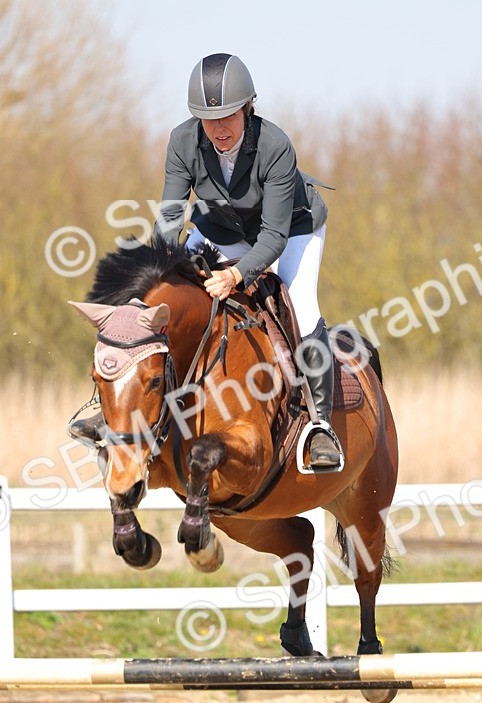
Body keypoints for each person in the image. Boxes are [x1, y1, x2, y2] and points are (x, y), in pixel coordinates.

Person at [157, 52, 342, 471]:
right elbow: (170, 217)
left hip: (292, 228)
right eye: (209, 119)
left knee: (301, 305)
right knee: (165, 298)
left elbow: (273, 236)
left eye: (227, 116)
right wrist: (161, 266)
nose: (218, 128)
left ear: (247, 108)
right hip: (221, 228)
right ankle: (145, 410)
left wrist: (237, 275)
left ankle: (321, 426)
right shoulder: (182, 142)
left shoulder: (275, 146)